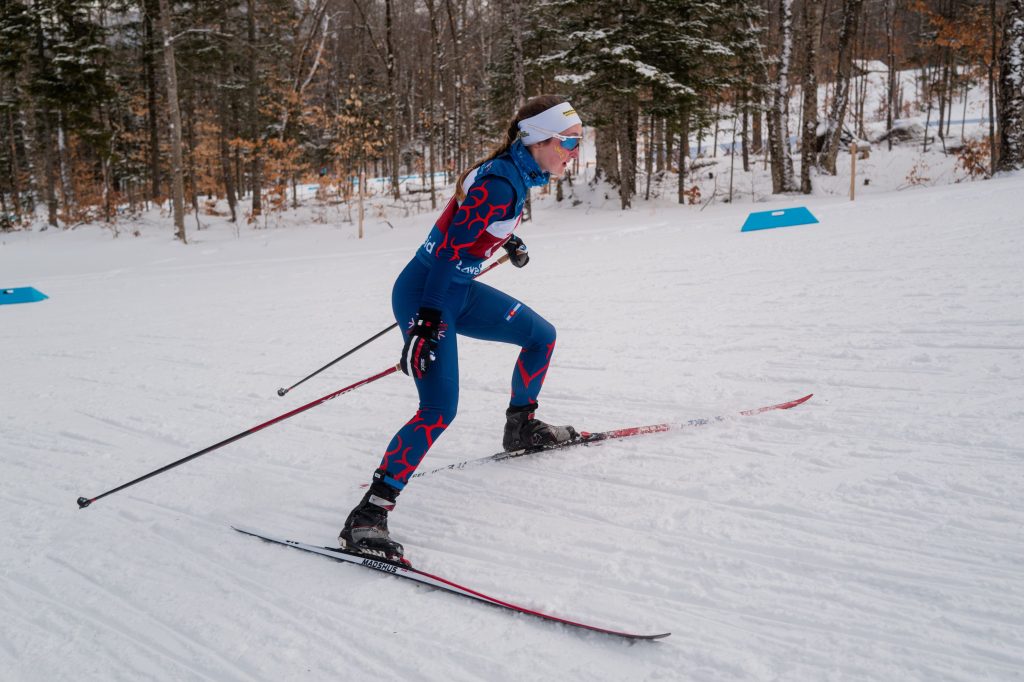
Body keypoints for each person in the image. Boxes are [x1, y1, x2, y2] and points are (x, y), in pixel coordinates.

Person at [339, 95, 585, 563]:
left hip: (457, 289)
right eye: (568, 141)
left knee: (541, 337)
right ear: (536, 139)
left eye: (578, 141)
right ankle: (368, 516)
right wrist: (428, 320)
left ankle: (521, 427)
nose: (574, 150)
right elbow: (451, 249)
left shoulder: (514, 173)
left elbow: (469, 228)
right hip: (428, 292)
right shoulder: (500, 182)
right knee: (438, 409)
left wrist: (505, 239)